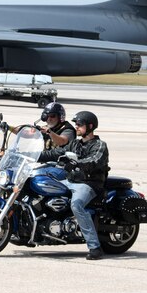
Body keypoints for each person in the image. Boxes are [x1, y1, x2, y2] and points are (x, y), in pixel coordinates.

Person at [38, 111, 109, 260]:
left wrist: (76, 164)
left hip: (88, 183)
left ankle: (95, 247)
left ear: (90, 126)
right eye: (76, 124)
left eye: (79, 124)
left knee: (77, 205)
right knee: (41, 180)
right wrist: (33, 154)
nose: (76, 126)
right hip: (71, 180)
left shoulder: (99, 145)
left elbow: (94, 161)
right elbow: (56, 153)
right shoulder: (75, 144)